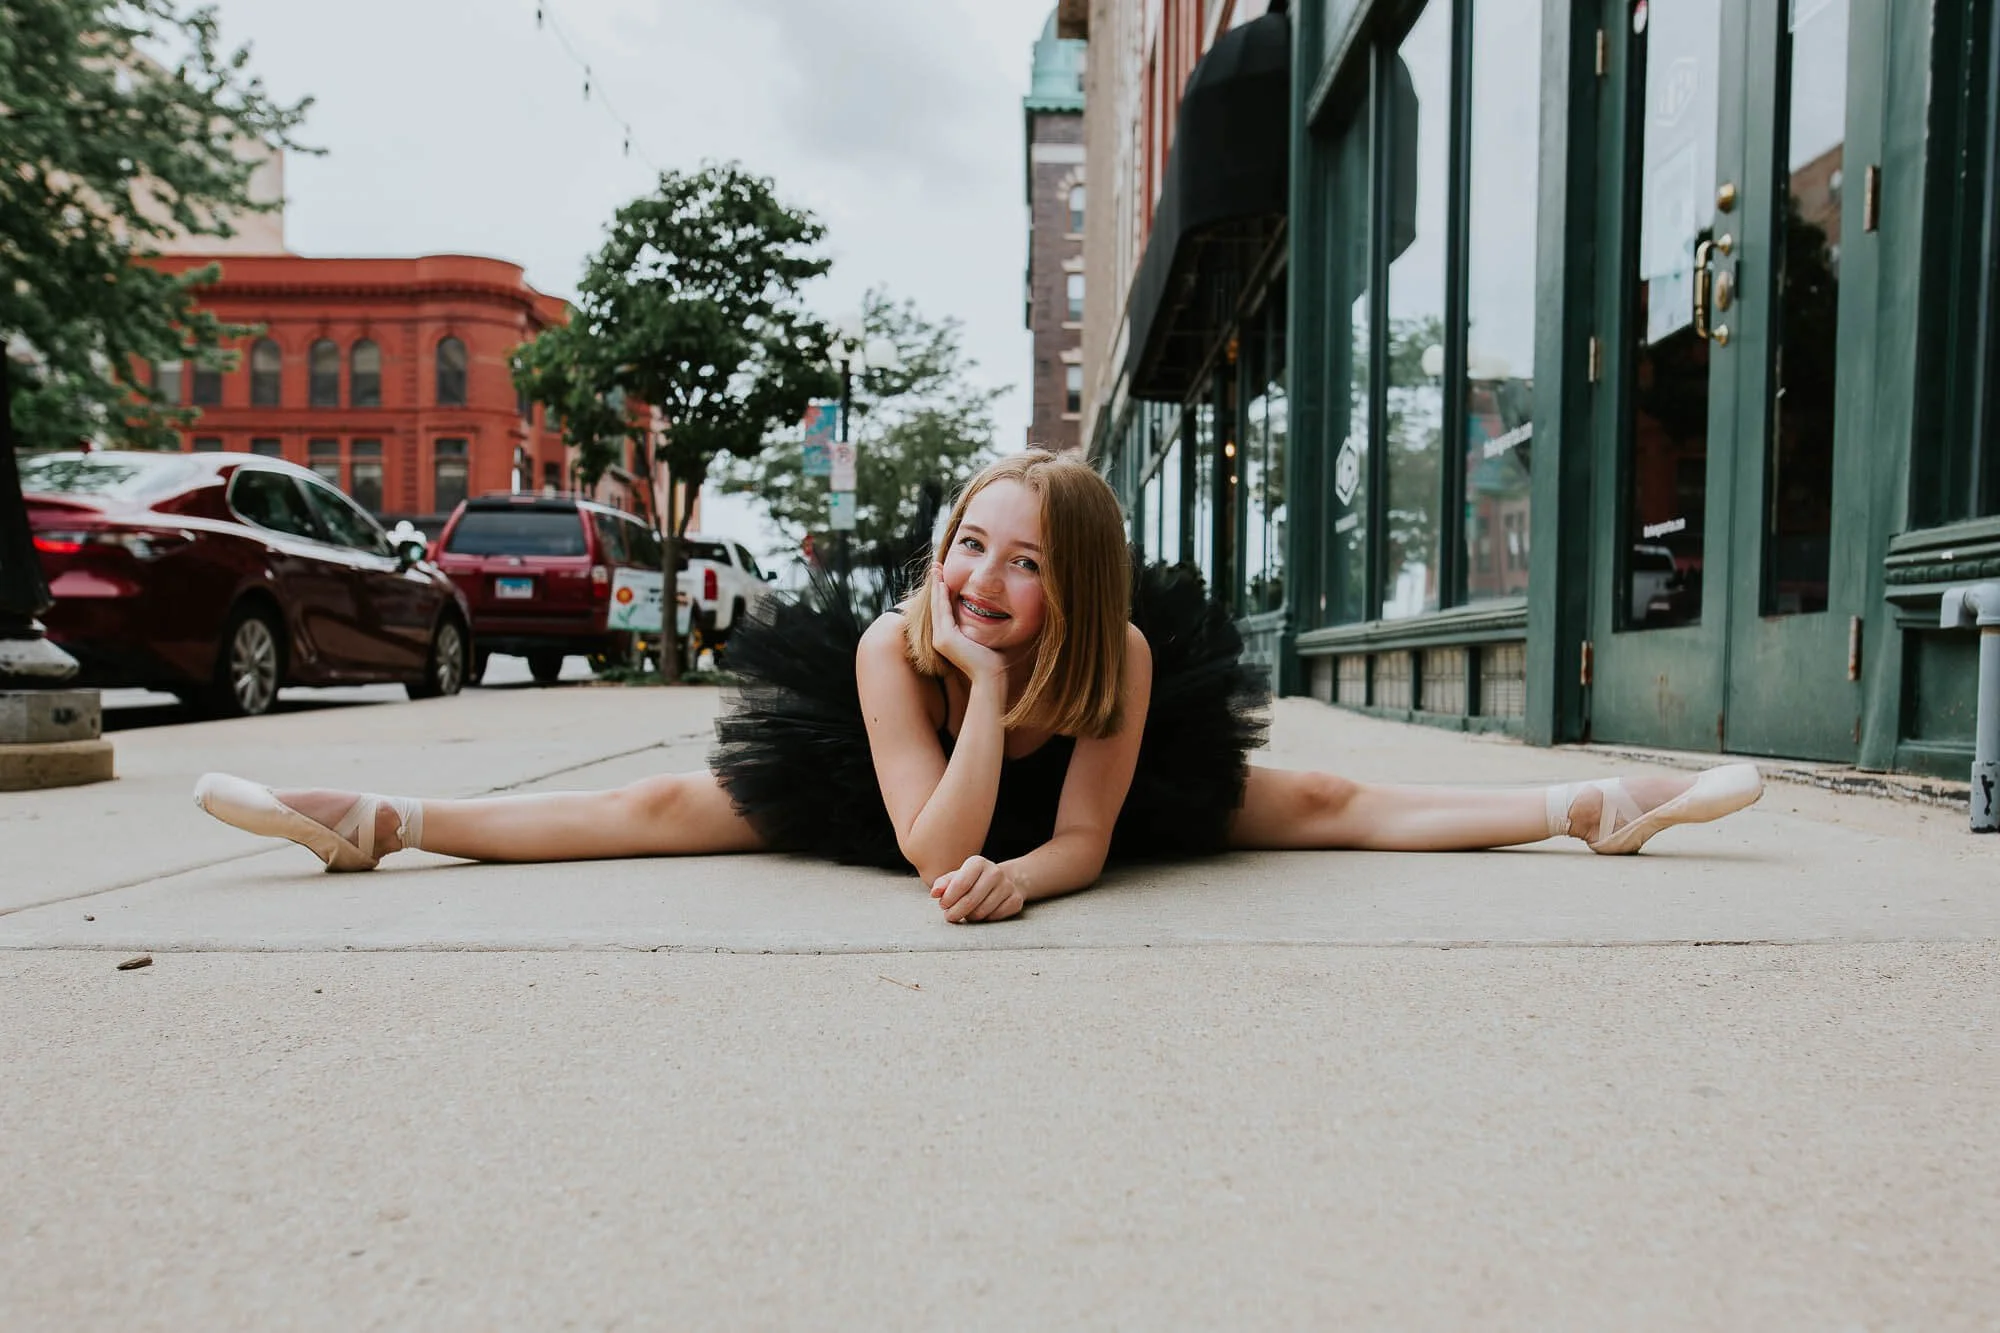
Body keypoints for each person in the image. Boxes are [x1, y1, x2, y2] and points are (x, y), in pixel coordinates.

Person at [194, 450, 1764, 924]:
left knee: (1334, 801)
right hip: (914, 792)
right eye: (968, 547)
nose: (982, 584)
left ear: (1075, 588)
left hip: (1076, 803)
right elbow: (929, 849)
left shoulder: (1126, 656)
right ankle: (377, 819)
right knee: (658, 802)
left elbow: (1076, 842)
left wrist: (1037, 867)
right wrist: (984, 699)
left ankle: (1595, 808)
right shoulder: (898, 646)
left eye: (1022, 566)